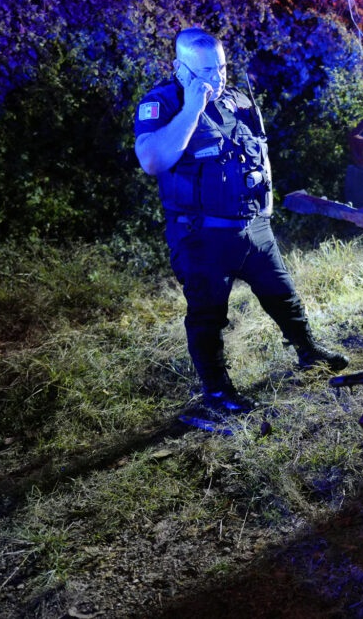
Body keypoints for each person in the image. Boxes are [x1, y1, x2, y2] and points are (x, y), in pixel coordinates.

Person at [134, 28, 348, 422]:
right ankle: (217, 392)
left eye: (221, 68)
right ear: (179, 67)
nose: (216, 78)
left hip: (253, 226)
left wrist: (264, 208)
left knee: (282, 295)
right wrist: (192, 108)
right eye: (204, 71)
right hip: (201, 235)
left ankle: (308, 352)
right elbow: (152, 160)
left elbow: (255, 153)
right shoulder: (163, 103)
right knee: (208, 315)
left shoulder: (236, 99)